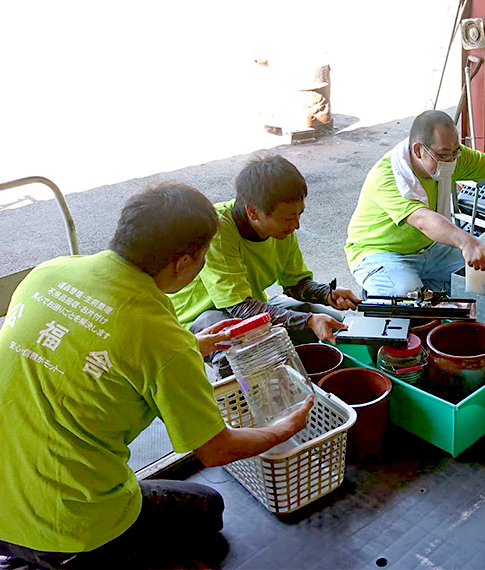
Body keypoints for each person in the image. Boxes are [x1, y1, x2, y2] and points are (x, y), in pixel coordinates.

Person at [0, 184, 316, 569]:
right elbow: (217, 450)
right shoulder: (162, 339)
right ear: (183, 264)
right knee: (207, 509)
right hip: (71, 528)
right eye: (202, 257)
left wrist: (195, 344)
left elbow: (101, 344)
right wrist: (285, 428)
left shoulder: (49, 272)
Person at [169, 155, 359, 371]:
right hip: (203, 316)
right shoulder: (217, 229)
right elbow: (239, 308)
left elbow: (295, 284)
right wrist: (307, 320)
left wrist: (327, 294)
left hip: (254, 304)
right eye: (288, 218)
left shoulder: (282, 230)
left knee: (334, 323)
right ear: (253, 211)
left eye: (299, 214)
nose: (296, 224)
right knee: (241, 354)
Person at [345, 110, 485, 296]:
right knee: (410, 298)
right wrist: (467, 243)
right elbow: (421, 219)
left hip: (428, 249)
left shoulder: (452, 155)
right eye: (443, 154)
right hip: (378, 253)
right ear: (418, 150)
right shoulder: (389, 176)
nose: (450, 161)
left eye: (454, 152)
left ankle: (431, 287)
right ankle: (385, 293)